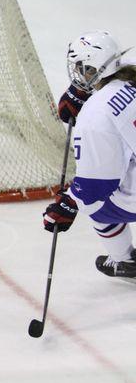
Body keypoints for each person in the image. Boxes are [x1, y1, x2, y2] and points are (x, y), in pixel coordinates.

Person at [44, 30, 136, 280]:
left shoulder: (95, 115)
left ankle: (124, 261)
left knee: (97, 208)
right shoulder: (130, 76)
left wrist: (69, 204)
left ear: (95, 69)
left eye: (81, 67)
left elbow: (97, 186)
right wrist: (81, 92)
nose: (76, 72)